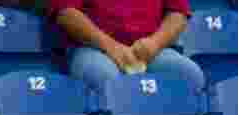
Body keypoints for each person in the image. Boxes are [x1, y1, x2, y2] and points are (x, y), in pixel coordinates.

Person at [48, 0, 204, 93]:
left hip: (149, 50)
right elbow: (66, 13)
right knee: (103, 78)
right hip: (94, 47)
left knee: (189, 74)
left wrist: (155, 43)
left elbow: (178, 13)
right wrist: (112, 47)